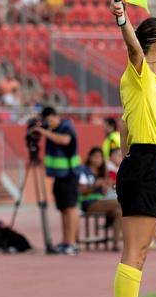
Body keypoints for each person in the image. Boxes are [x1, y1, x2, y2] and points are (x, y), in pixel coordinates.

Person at [109, 0, 156, 297]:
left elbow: (125, 128)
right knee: (134, 253)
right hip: (145, 161)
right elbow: (134, 48)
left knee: (141, 253)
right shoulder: (139, 74)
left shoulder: (152, 85)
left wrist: (128, 160)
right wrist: (123, 19)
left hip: (147, 162)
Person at [34, 106, 81, 255]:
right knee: (63, 209)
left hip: (69, 174)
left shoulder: (66, 126)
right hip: (59, 176)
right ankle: (65, 241)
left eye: (50, 120)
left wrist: (44, 132)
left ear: (55, 116)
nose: (49, 124)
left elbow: (65, 140)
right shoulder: (52, 129)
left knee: (70, 208)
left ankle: (72, 243)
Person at [78, 147, 121, 251]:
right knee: (120, 203)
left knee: (119, 212)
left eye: (100, 158)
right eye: (95, 157)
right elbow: (81, 190)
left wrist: (105, 186)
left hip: (101, 201)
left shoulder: (102, 172)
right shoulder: (84, 170)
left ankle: (116, 244)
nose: (98, 160)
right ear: (90, 157)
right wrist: (95, 186)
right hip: (88, 202)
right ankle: (110, 223)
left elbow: (105, 192)